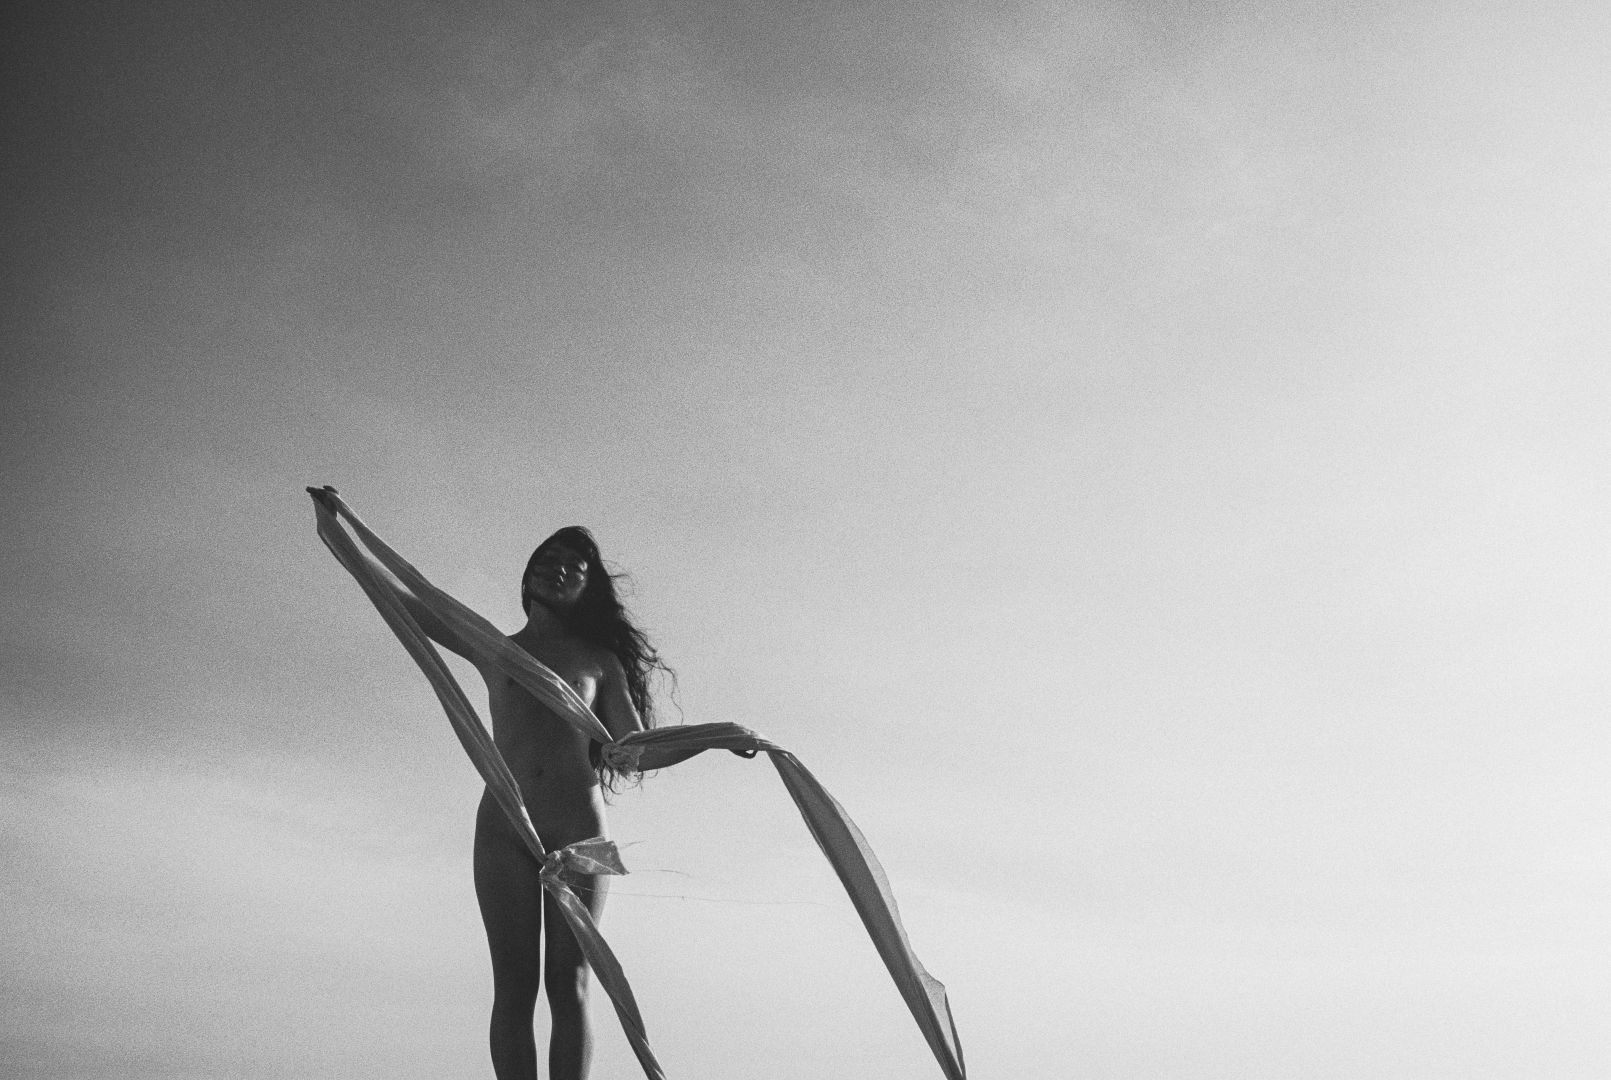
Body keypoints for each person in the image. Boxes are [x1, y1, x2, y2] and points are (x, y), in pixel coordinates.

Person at [395, 525, 668, 1080]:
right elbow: (413, 604)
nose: (558, 569)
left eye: (574, 568)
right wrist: (339, 531)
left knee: (569, 983)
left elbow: (637, 750)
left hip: (581, 829)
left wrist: (719, 740)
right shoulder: (497, 648)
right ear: (527, 575)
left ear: (587, 590)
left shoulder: (600, 662)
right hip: (505, 825)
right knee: (514, 987)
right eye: (548, 559)